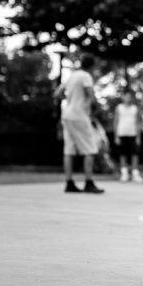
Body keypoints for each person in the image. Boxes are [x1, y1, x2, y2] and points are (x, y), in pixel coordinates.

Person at [53, 54, 105, 194]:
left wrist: (69, 100)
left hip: (67, 114)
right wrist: (98, 107)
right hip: (79, 115)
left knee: (69, 150)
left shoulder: (72, 76)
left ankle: (69, 183)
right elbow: (90, 94)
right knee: (90, 148)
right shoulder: (86, 76)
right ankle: (88, 182)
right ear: (92, 66)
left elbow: (57, 93)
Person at [113, 90, 143, 183]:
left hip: (133, 134)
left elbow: (138, 123)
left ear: (132, 98)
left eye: (130, 96)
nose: (128, 98)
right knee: (123, 154)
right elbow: (115, 122)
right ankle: (124, 173)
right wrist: (116, 136)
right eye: (126, 96)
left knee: (135, 154)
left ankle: (135, 173)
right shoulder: (119, 107)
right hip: (121, 133)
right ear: (123, 97)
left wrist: (138, 137)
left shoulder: (135, 108)